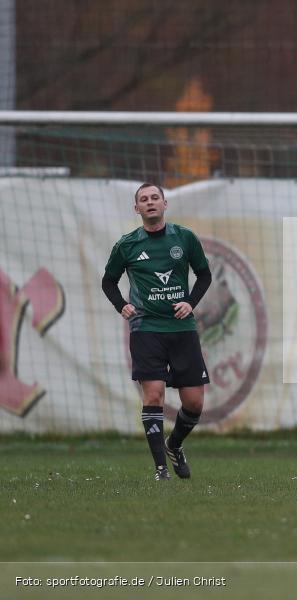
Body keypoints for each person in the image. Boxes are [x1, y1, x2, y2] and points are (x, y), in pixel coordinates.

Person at [102, 183, 212, 481]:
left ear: (165, 204)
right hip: (146, 329)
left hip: (182, 329)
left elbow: (204, 275)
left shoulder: (184, 238)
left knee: (194, 403)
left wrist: (190, 302)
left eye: (155, 198)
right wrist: (121, 305)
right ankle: (161, 469)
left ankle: (174, 445)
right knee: (153, 396)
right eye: (144, 199)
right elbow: (108, 281)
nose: (150, 202)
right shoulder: (127, 245)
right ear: (136, 208)